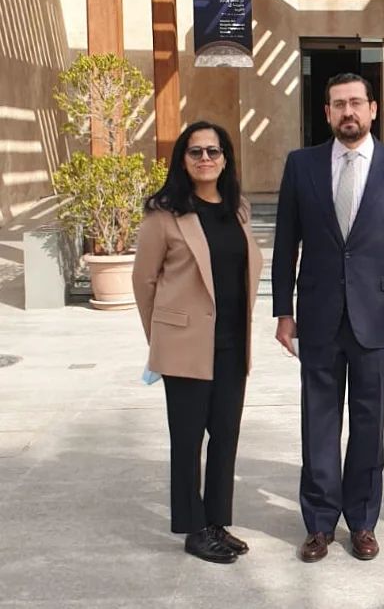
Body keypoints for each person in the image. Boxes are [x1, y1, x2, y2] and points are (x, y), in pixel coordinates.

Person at [272, 72, 384, 563]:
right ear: (327, 113)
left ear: (373, 109)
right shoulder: (301, 165)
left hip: (378, 318)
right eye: (338, 104)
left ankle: (362, 521)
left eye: (356, 102)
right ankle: (319, 524)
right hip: (318, 315)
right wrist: (283, 311)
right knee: (318, 423)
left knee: (368, 423)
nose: (348, 112)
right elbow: (285, 244)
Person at [132, 120, 262, 564]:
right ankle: (193, 528)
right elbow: (144, 281)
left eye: (213, 151)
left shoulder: (237, 208)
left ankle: (216, 522)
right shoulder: (164, 214)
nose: (205, 158)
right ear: (183, 160)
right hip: (185, 345)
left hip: (232, 343)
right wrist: (162, 339)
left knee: (225, 435)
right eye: (195, 152)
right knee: (188, 441)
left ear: (225, 159)